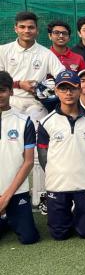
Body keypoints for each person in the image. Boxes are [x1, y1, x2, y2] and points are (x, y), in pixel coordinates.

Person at [0, 11, 65, 210]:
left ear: (36, 30)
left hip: (35, 106)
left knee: (39, 153)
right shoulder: (4, 50)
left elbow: (62, 75)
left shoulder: (45, 53)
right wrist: (20, 83)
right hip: (7, 104)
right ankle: (6, 193)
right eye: (22, 27)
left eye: (31, 27)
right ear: (15, 28)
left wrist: (47, 88)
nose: (27, 31)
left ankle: (41, 198)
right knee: (9, 152)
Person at [37, 70, 85, 240]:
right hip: (57, 185)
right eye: (63, 89)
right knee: (59, 235)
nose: (68, 93)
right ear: (56, 91)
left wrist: (84, 168)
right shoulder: (46, 122)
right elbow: (43, 156)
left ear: (80, 90)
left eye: (72, 88)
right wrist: (58, 171)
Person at [0, 71, 39, 245]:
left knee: (29, 238)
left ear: (11, 92)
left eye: (2, 90)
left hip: (16, 191)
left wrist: (7, 196)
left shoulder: (25, 121)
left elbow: (29, 162)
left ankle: (10, 215)